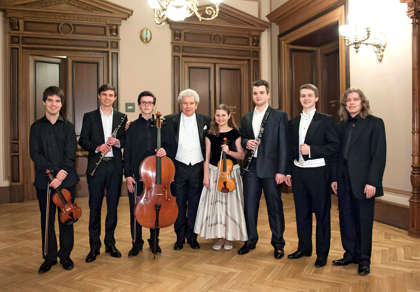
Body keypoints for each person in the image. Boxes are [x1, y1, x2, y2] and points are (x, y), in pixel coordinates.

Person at [330, 88, 386, 276]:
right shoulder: (340, 126)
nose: (352, 103)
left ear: (363, 103)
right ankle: (350, 254)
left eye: (355, 99)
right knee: (345, 219)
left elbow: (378, 156)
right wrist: (335, 179)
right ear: (344, 104)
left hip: (364, 183)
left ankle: (364, 260)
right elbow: (336, 156)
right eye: (348, 100)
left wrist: (373, 182)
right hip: (343, 181)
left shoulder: (375, 124)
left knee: (363, 221)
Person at [286, 84, 339, 267]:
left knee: (322, 215)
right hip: (298, 172)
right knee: (302, 213)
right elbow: (288, 149)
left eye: (309, 95)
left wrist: (312, 150)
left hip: (318, 172)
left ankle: (322, 253)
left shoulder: (326, 120)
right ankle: (304, 248)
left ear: (316, 98)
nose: (306, 98)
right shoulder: (293, 122)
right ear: (299, 98)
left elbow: (334, 147)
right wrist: (288, 171)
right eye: (302, 96)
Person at [29, 86, 79, 274]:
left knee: (67, 218)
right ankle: (49, 257)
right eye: (50, 100)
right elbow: (35, 153)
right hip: (45, 181)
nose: (53, 104)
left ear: (61, 104)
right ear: (44, 102)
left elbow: (70, 153)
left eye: (57, 101)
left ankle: (65, 256)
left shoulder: (68, 127)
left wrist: (61, 175)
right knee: (47, 219)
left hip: (66, 181)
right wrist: (51, 174)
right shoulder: (36, 127)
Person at [238, 79, 288, 259]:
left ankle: (278, 243)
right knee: (249, 207)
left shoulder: (279, 115)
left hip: (272, 169)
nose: (258, 95)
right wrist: (246, 142)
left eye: (261, 92)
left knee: (275, 207)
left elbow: (284, 145)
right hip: (251, 168)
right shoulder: (246, 117)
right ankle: (250, 240)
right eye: (255, 93)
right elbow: (242, 138)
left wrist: (282, 170)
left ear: (268, 94)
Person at [79, 84, 127, 263]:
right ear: (99, 96)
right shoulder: (89, 117)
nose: (108, 98)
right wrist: (97, 147)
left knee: (113, 208)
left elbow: (125, 140)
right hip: (97, 167)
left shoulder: (121, 117)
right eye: (104, 95)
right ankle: (94, 247)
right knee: (95, 208)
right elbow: (83, 140)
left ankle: (110, 243)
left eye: (111, 95)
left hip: (114, 167)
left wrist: (117, 142)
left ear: (115, 98)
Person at [194, 104, 248, 250]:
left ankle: (229, 237)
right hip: (214, 172)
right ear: (215, 117)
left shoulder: (235, 133)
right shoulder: (210, 134)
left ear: (229, 116)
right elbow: (206, 157)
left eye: (223, 115)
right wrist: (206, 176)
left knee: (230, 206)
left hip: (231, 173)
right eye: (218, 115)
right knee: (216, 206)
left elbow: (242, 155)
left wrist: (229, 151)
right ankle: (219, 237)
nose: (220, 118)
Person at [163, 89, 210, 250]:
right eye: (185, 103)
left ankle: (193, 237)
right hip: (178, 169)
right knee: (179, 204)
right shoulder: (170, 120)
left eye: (191, 103)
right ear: (180, 105)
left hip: (197, 168)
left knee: (195, 205)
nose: (188, 106)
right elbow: (162, 139)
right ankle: (179, 238)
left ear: (196, 105)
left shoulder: (206, 120)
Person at [124, 91, 167, 256]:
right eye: (143, 103)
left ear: (154, 105)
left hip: (156, 177)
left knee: (155, 208)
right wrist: (127, 175)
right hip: (136, 175)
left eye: (150, 103)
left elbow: (169, 144)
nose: (147, 105)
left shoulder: (162, 125)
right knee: (136, 209)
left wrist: (165, 150)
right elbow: (126, 152)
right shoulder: (132, 127)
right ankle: (137, 242)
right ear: (139, 105)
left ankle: (154, 241)